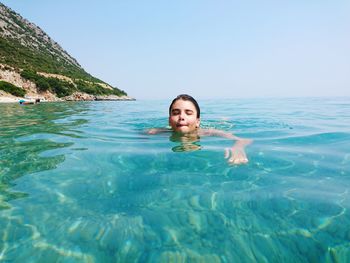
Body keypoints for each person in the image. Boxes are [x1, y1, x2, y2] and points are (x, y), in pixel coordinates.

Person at [148, 94, 252, 165]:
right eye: (176, 113)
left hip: (210, 129)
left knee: (224, 126)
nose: (181, 117)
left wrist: (237, 148)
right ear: (169, 121)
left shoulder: (207, 132)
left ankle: (223, 121)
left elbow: (243, 140)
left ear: (197, 121)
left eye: (188, 113)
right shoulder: (161, 131)